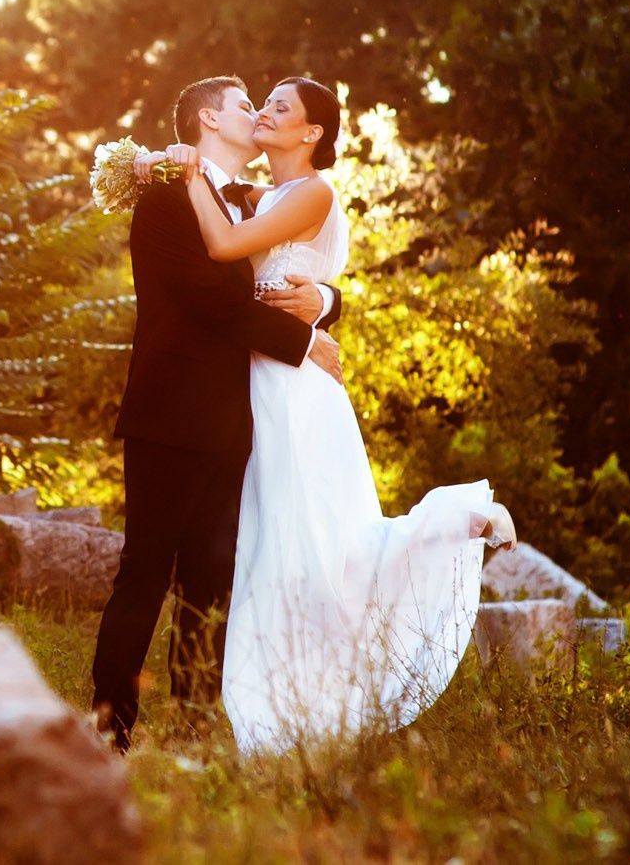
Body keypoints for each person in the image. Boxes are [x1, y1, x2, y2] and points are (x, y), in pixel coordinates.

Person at [159, 77, 514, 755]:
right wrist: (322, 301)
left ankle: (452, 525)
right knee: (269, 541)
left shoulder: (314, 189)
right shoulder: (261, 195)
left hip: (293, 390)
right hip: (255, 380)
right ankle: (263, 686)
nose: (264, 112)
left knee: (321, 540)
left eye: (280, 107)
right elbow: (258, 271)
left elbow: (229, 251)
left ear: (312, 133)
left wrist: (192, 171)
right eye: (259, 103)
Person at [89, 76, 345, 752]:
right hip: (169, 417)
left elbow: (292, 264)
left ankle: (194, 733)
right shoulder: (167, 199)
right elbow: (213, 300)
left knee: (210, 585)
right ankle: (107, 729)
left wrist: (323, 302)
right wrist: (304, 340)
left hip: (232, 425)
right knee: (144, 574)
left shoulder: (241, 203)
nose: (256, 111)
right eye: (243, 104)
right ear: (208, 119)